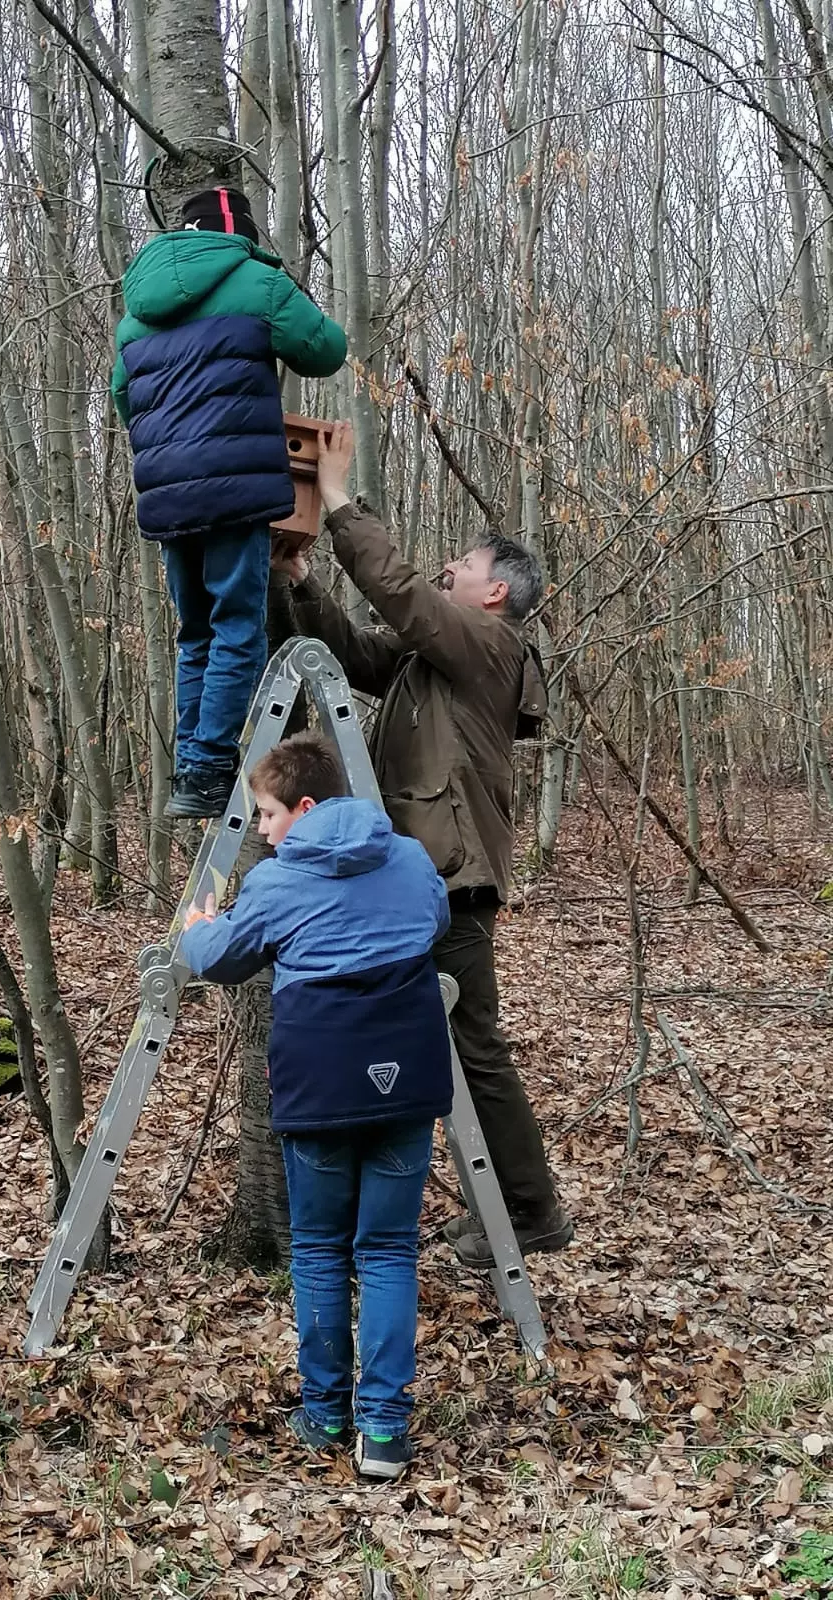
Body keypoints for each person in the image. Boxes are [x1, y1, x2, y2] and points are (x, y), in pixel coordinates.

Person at [272, 422, 574, 1269]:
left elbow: (402, 593)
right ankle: (503, 1204)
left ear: (492, 596)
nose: (448, 570)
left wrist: (335, 498)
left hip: (448, 877)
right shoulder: (435, 662)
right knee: (442, 1040)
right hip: (422, 873)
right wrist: (300, 581)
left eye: (463, 568)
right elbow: (360, 652)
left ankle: (529, 1208)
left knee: (472, 1042)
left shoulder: (490, 647)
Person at [180, 731, 452, 1480]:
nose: (261, 830)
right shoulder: (409, 855)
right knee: (391, 1250)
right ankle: (385, 1435)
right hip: (408, 1077)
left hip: (320, 1085)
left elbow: (222, 959)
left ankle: (326, 1413)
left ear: (304, 807)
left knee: (321, 1249)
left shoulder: (276, 881)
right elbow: (434, 924)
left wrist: (199, 930)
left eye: (266, 815)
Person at [111, 187, 346, 819]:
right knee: (237, 625)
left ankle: (192, 765)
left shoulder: (135, 310)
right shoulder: (255, 281)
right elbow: (326, 349)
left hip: (166, 490)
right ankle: (212, 767)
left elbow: (124, 400)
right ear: (238, 232)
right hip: (236, 484)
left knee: (194, 632)